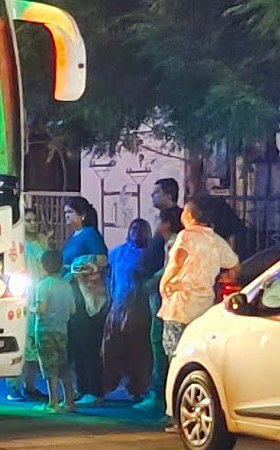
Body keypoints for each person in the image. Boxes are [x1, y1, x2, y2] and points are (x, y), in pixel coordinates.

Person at [158, 198, 240, 430]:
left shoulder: (186, 236)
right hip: (203, 308)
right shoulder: (215, 240)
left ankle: (176, 414)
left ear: (190, 216)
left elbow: (177, 261)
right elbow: (234, 265)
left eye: (185, 211)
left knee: (174, 358)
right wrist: (220, 278)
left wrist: (165, 282)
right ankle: (195, 410)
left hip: (179, 305)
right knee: (197, 361)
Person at [134, 178, 184, 413]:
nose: (152, 196)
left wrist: (154, 279)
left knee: (160, 342)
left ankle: (161, 394)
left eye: (156, 192)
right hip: (158, 290)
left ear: (168, 194)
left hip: (164, 293)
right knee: (157, 340)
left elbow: (171, 264)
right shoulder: (167, 227)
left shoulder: (175, 225)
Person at [60, 196, 108, 406]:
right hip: (72, 295)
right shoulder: (74, 236)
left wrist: (77, 269)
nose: (67, 216)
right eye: (66, 213)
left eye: (70, 212)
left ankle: (94, 389)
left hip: (86, 296)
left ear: (82, 215)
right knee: (77, 343)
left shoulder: (90, 235)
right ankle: (82, 386)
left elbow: (101, 260)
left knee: (88, 343)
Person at [100, 218, 152, 401]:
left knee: (136, 349)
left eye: (140, 230)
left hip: (138, 307)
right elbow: (110, 274)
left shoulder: (149, 254)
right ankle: (111, 384)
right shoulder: (119, 252)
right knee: (112, 347)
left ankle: (136, 387)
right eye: (133, 229)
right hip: (118, 304)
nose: (136, 233)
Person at [7, 207, 49, 402]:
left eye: (34, 220)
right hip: (22, 296)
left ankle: (30, 386)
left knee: (35, 346)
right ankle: (14, 386)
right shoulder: (15, 242)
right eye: (28, 221)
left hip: (39, 295)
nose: (32, 224)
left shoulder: (41, 242)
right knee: (20, 344)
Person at [31, 249, 77, 413]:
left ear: (43, 266)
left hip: (45, 329)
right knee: (63, 365)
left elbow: (41, 308)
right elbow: (73, 309)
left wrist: (30, 307)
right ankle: (69, 401)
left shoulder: (43, 285)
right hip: (62, 329)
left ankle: (53, 402)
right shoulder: (66, 285)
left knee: (49, 367)